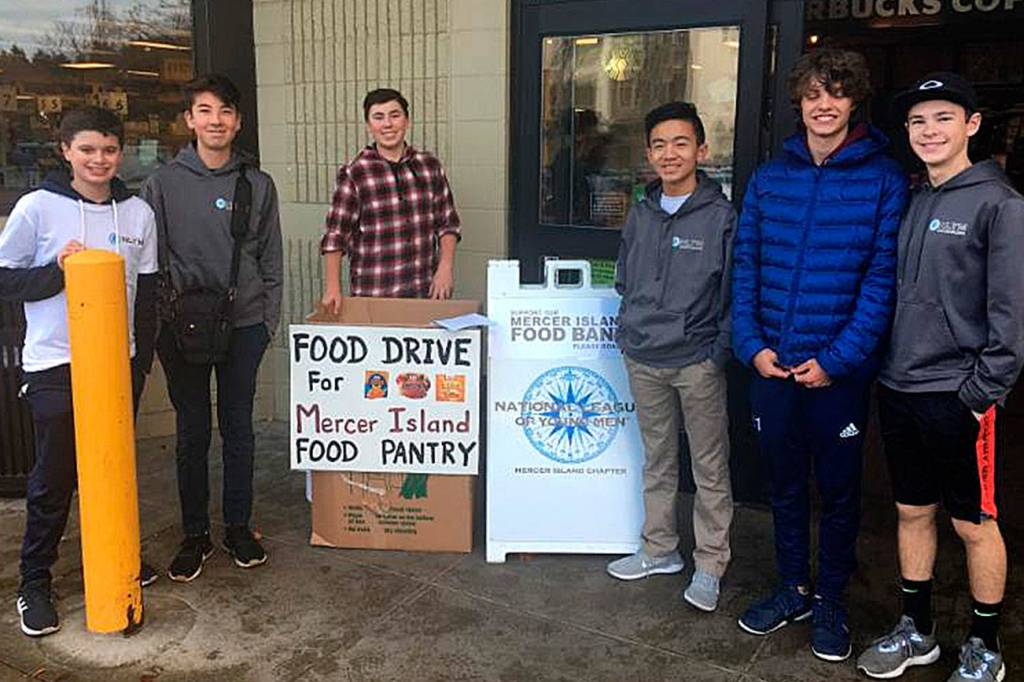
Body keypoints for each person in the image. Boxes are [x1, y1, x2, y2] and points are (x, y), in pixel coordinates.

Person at [730, 49, 907, 661]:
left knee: (837, 492)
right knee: (782, 486)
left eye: (835, 93)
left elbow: (881, 282)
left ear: (854, 101)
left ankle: (831, 597)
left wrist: (838, 358)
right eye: (812, 95)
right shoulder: (770, 177)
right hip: (771, 368)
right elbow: (745, 267)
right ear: (800, 103)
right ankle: (792, 588)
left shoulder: (883, 179)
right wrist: (751, 346)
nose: (823, 105)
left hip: (838, 375)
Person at [856, 73, 1024, 682]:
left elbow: (1012, 319)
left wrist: (979, 394)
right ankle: (917, 631)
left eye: (943, 118)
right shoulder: (914, 197)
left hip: (958, 396)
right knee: (912, 514)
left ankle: (985, 645)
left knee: (975, 524)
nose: (929, 132)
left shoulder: (999, 204)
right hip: (900, 387)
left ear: (972, 125)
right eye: (918, 122)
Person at [0, 107, 160, 636]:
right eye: (87, 149)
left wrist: (139, 361)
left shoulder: (137, 213)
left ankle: (116, 558)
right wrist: (57, 273)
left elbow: (148, 292)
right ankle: (34, 582)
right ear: (65, 150)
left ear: (122, 153)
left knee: (112, 467)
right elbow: (5, 281)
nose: (99, 160)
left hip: (119, 362)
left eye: (109, 150)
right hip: (56, 362)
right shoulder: (37, 207)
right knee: (55, 477)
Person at [141, 74, 283, 582]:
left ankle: (238, 527)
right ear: (189, 120)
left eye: (225, 111)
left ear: (238, 121)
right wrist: (159, 326)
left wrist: (266, 322)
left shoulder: (257, 184)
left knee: (239, 430)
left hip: (243, 324)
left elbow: (271, 261)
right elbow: (148, 262)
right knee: (192, 432)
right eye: (205, 111)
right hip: (181, 329)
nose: (215, 121)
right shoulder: (161, 184)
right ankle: (195, 533)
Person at [605, 101, 735, 613]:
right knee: (657, 460)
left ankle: (710, 564)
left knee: (708, 466)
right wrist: (628, 330)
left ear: (701, 150)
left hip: (696, 362)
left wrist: (714, 354)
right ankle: (660, 549)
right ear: (649, 153)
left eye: (681, 143)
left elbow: (732, 293)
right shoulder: (641, 211)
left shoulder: (721, 217)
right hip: (643, 357)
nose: (669, 153)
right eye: (659, 145)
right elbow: (624, 276)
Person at [320, 88, 460, 310]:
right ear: (368, 125)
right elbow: (336, 236)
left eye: (395, 115)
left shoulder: (429, 166)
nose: (388, 124)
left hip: (425, 292)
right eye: (378, 117)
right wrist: (332, 287)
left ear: (407, 121)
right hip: (374, 294)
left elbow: (448, 223)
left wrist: (445, 268)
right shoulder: (355, 173)